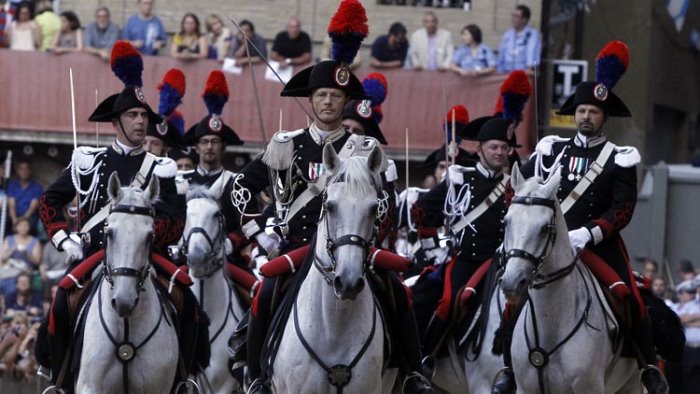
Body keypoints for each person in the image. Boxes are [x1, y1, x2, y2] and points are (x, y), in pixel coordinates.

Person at [230, 13, 433, 391]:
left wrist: (366, 231)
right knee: (264, 293)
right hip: (294, 249)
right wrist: (261, 232)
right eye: (321, 95)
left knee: (398, 293)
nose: (327, 101)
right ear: (310, 99)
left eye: (335, 96)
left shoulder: (364, 148)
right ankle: (256, 374)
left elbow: (386, 203)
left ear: (345, 101)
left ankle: (411, 371)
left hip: (352, 246)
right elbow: (239, 190)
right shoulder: (285, 144)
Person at [495, 41, 668, 394]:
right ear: (573, 115)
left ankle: (647, 364)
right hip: (545, 243)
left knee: (629, 294)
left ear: (604, 117)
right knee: (516, 291)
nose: (586, 116)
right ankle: (509, 368)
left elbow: (622, 209)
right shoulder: (550, 151)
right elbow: (522, 191)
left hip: (596, 245)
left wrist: (590, 233)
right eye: (582, 111)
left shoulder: (618, 157)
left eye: (593, 112)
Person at [35, 41, 205, 390]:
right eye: (133, 115)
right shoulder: (90, 161)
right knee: (60, 304)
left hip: (147, 256)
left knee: (187, 302)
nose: (141, 121)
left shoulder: (162, 168)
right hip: (95, 253)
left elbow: (175, 221)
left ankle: (184, 378)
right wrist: (64, 238)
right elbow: (50, 200)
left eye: (144, 116)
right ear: (116, 122)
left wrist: (139, 234)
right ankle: (60, 377)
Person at [413, 116, 515, 372]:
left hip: (505, 262)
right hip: (469, 259)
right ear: (480, 149)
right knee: (449, 301)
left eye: (505, 147)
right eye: (494, 147)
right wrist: (434, 245)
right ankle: (427, 355)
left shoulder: (515, 185)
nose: (500, 152)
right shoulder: (460, 179)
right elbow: (422, 210)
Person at [180, 70, 246, 241]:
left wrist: (232, 243)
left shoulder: (234, 182)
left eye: (215, 142)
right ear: (196, 147)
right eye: (204, 142)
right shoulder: (181, 181)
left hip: (225, 256)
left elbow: (245, 225)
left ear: (223, 147)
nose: (209, 147)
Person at [496, 4, 541, 73]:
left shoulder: (531, 34)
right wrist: (499, 71)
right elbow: (501, 55)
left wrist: (530, 68)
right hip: (506, 73)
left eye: (516, 16)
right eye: (513, 15)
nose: (513, 18)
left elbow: (531, 52)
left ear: (524, 19)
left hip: (523, 73)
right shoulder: (508, 34)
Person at [676, 280, 700, 394]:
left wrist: (689, 321)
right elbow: (680, 320)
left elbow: (685, 320)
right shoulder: (689, 305)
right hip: (689, 349)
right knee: (689, 379)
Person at [7, 157, 42, 231]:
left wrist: (22, 221)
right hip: (14, 215)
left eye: (26, 169)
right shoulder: (12, 185)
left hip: (29, 216)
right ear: (17, 171)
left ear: (30, 171)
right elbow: (11, 204)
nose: (24, 171)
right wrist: (14, 220)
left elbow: (33, 207)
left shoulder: (36, 186)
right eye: (21, 169)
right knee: (6, 222)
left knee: (32, 224)